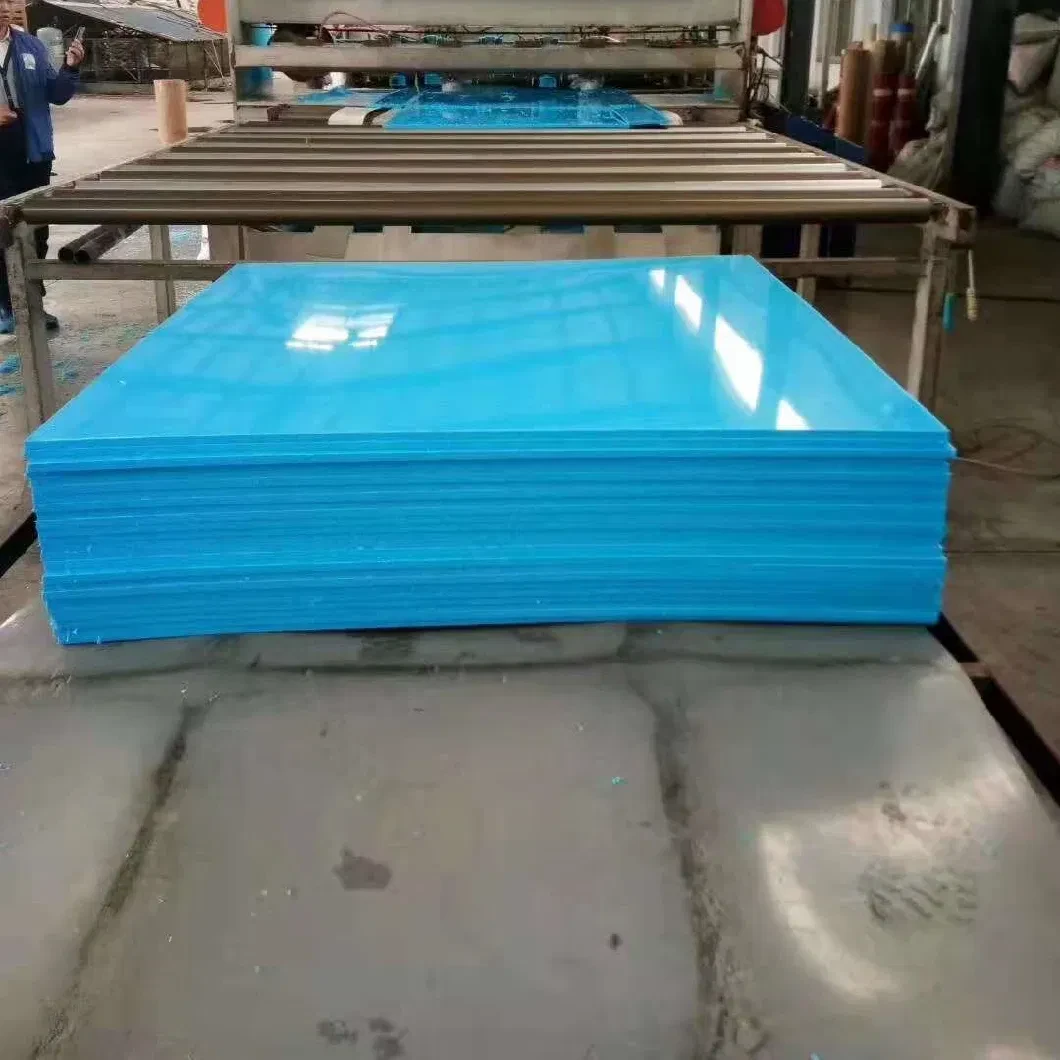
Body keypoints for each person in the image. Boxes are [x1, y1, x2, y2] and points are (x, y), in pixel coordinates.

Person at [0, 1, 83, 334]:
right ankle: (8, 306)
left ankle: (33, 302)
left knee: (35, 229)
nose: (4, 8)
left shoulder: (30, 45)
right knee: (2, 229)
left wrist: (71, 68)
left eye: (7, 1)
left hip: (32, 149)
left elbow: (56, 93)